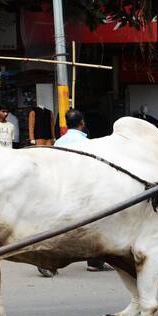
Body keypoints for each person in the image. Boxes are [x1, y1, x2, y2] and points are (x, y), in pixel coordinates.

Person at [50, 109, 111, 273]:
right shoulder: (88, 143)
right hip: (84, 189)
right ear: (82, 123)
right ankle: (95, 261)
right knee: (97, 223)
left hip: (62, 188)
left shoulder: (58, 143)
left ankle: (47, 261)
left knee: (58, 225)